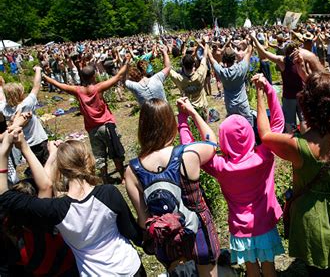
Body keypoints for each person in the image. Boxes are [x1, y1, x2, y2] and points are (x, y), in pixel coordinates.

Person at [257, 70, 330, 276]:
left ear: (306, 105)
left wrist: (261, 93)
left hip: (314, 220)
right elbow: (327, 96)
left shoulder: (300, 147)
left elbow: (265, 134)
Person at [178, 74, 284, 277]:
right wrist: (267, 91)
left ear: (223, 140)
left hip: (239, 228)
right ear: (251, 135)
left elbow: (192, 149)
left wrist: (186, 116)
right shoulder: (264, 156)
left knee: (251, 269)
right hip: (265, 223)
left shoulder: (220, 166)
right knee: (269, 268)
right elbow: (277, 125)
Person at [0, 130, 145, 276]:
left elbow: (5, 196)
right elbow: (133, 234)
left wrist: (5, 150)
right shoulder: (109, 193)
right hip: (130, 268)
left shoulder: (56, 209)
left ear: (61, 168)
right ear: (89, 160)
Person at [124, 99, 220, 276]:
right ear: (170, 123)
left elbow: (143, 219)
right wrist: (192, 112)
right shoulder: (189, 154)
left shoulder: (132, 171)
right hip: (198, 230)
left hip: (167, 239)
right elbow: (212, 142)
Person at [42, 62, 129, 183]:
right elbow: (118, 76)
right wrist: (126, 62)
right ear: (94, 76)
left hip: (92, 128)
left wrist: (44, 76)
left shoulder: (78, 91)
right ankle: (123, 177)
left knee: (99, 155)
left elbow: (58, 84)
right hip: (106, 124)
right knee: (115, 151)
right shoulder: (98, 88)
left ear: (82, 77)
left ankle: (105, 178)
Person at [251, 33, 323, 132]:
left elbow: (264, 52)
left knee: (289, 123)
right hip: (303, 94)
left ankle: (292, 141)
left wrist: (254, 38)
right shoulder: (302, 60)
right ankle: (305, 141)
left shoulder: (283, 61)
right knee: (304, 121)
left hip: (288, 97)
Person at [0, 67, 49, 165]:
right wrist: (38, 70)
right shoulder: (26, 104)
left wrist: (1, 86)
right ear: (20, 94)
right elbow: (36, 86)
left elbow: (2, 97)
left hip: (23, 144)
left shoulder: (4, 109)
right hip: (38, 140)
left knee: (33, 164)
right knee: (47, 163)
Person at [207, 41, 254, 125]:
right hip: (242, 103)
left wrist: (206, 43)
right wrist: (251, 39)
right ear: (234, 58)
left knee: (234, 126)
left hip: (230, 105)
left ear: (224, 59)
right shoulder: (241, 68)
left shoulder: (222, 72)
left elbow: (211, 58)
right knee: (248, 126)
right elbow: (249, 51)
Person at [170, 39, 210, 121]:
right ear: (194, 64)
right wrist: (206, 42)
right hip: (202, 108)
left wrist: (164, 52)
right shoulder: (200, 74)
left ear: (183, 66)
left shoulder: (179, 79)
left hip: (188, 110)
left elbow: (167, 68)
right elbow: (205, 56)